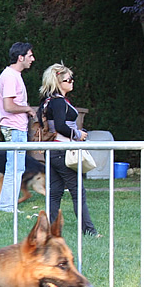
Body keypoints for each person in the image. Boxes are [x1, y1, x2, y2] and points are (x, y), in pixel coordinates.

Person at [37, 63, 100, 237]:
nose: (72, 82)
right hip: (62, 150)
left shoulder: (47, 102)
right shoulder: (57, 102)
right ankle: (89, 231)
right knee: (78, 191)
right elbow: (60, 126)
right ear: (58, 82)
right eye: (68, 79)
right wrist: (78, 134)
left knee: (55, 192)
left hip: (53, 151)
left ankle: (48, 231)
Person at [0, 42, 36, 212]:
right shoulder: (10, 76)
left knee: (15, 167)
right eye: (30, 55)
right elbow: (8, 106)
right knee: (15, 168)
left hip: (12, 127)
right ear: (20, 57)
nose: (33, 59)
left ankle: (5, 204)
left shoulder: (10, 75)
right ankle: (6, 205)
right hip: (15, 128)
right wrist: (27, 109)